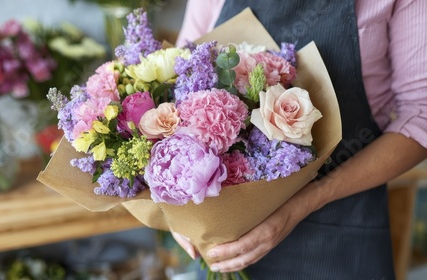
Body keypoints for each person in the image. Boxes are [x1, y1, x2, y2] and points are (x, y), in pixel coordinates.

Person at [171, 0, 427, 278]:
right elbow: (179, 79)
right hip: (226, 244)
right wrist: (179, 206)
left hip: (342, 233)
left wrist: (307, 200)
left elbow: (420, 114)